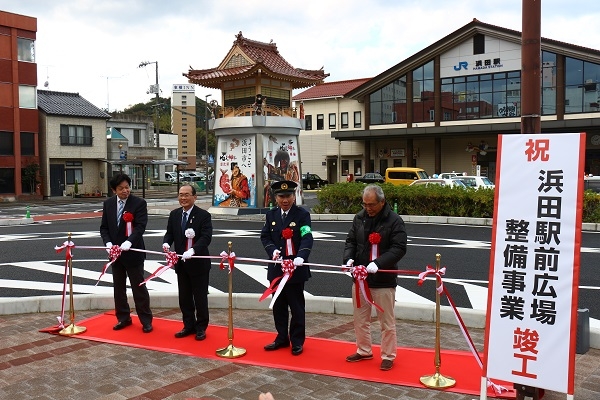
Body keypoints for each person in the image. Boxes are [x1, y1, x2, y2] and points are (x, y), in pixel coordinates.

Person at [343, 184, 407, 371]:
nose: (368, 208)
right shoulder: (359, 218)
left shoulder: (395, 221)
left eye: (371, 204)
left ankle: (388, 355)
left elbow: (399, 248)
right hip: (360, 278)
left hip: (383, 280)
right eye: (365, 204)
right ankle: (363, 350)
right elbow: (351, 241)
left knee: (386, 320)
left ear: (382, 202)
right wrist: (348, 260)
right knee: (360, 318)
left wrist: (378, 263)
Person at [260, 180, 313, 356]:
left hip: (295, 269)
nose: (285, 200)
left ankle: (297, 341)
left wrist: (301, 257)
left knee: (297, 307)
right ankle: (282, 337)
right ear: (276, 198)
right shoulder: (271, 215)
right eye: (281, 196)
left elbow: (307, 237)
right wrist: (272, 250)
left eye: (288, 196)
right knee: (278, 306)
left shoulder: (302, 215)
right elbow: (265, 236)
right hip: (277, 268)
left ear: (294, 196)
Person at [100, 173, 153, 333]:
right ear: (113, 190)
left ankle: (146, 320)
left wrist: (129, 241)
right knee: (119, 288)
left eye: (127, 187)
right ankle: (123, 318)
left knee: (139, 288)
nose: (125, 191)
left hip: (133, 253)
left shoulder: (139, 203)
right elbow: (104, 227)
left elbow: (140, 226)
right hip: (116, 255)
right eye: (121, 188)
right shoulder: (108, 204)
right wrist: (108, 244)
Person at [163, 184, 213, 341]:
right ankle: (188, 325)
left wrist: (193, 250)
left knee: (200, 298)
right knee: (184, 297)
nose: (183, 198)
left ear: (194, 197)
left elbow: (206, 237)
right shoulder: (174, 214)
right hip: (181, 264)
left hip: (198, 264)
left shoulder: (203, 215)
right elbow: (170, 233)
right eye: (180, 195)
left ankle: (201, 328)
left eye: (186, 195)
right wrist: (166, 243)